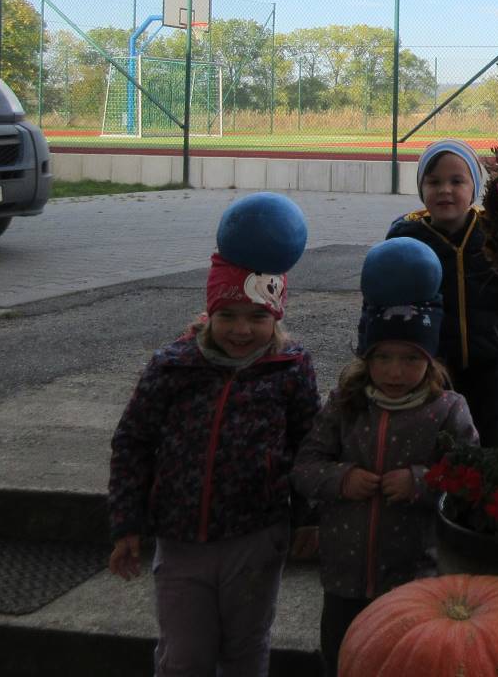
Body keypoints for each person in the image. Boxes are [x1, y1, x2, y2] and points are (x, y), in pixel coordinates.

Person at [107, 250, 320, 677]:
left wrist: (308, 518)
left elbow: (309, 447)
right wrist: (126, 522)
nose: (241, 330)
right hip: (181, 539)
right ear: (210, 313)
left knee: (246, 649)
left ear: (276, 316)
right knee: (184, 655)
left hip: (257, 537)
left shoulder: (290, 367)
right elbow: (133, 441)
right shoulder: (172, 365)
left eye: (257, 317)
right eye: (228, 316)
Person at [292, 241, 479, 677]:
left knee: (407, 664)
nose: (396, 371)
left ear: (430, 359)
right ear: (367, 357)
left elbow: (471, 477)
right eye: (383, 358)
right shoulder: (346, 404)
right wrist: (342, 479)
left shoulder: (446, 409)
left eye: (411, 359)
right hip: (344, 578)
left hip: (413, 577)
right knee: (343, 660)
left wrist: (420, 481)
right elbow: (305, 467)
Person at [387, 139, 498, 455]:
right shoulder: (407, 240)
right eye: (433, 182)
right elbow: (388, 303)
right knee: (434, 444)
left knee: (490, 442)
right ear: (421, 189)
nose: (445, 190)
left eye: (456, 181)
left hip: (486, 366)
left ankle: (494, 483)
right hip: (431, 370)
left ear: (474, 188)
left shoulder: (493, 235)